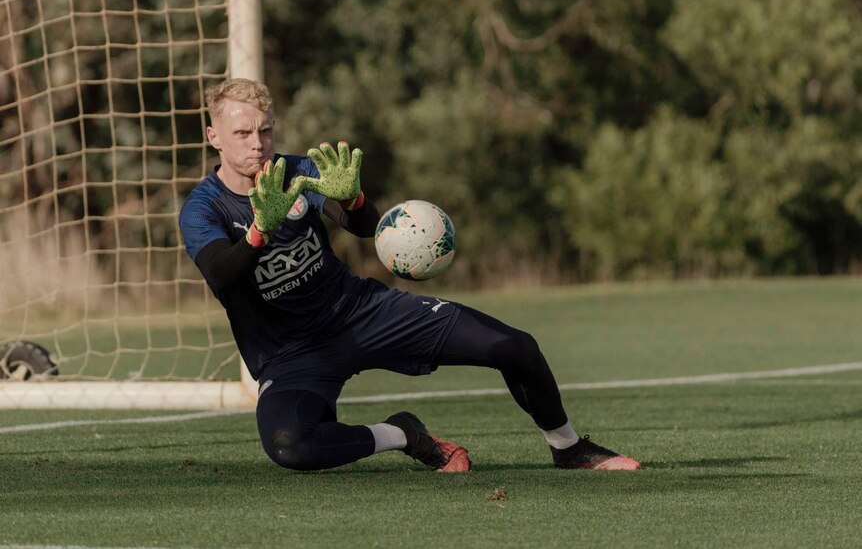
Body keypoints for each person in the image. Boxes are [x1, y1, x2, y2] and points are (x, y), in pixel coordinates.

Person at [179, 78, 640, 472]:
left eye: (265, 130)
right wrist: (262, 229)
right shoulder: (203, 208)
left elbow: (361, 228)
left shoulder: (298, 171)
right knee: (290, 446)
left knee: (514, 347)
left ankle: (570, 448)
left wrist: (354, 199)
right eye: (242, 133)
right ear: (213, 136)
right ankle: (402, 434)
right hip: (290, 353)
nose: (257, 144)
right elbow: (224, 275)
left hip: (359, 312)